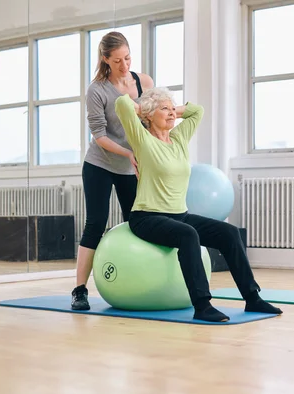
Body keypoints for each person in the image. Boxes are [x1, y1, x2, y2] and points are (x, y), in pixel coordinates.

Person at [113, 87, 283, 322]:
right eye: (165, 110)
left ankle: (252, 298)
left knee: (230, 233)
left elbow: (197, 111)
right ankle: (202, 305)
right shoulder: (142, 139)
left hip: (179, 215)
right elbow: (122, 104)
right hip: (146, 217)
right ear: (149, 115)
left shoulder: (179, 138)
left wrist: (170, 109)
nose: (172, 114)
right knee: (188, 235)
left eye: (173, 109)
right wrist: (147, 107)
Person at [71, 32, 154, 311]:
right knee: (96, 223)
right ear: (105, 59)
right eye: (117, 60)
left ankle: (141, 279)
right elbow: (99, 135)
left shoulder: (144, 82)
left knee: (138, 221)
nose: (124, 65)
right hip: (100, 164)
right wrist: (129, 153)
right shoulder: (97, 90)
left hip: (131, 167)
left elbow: (151, 122)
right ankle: (79, 290)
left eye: (128, 57)